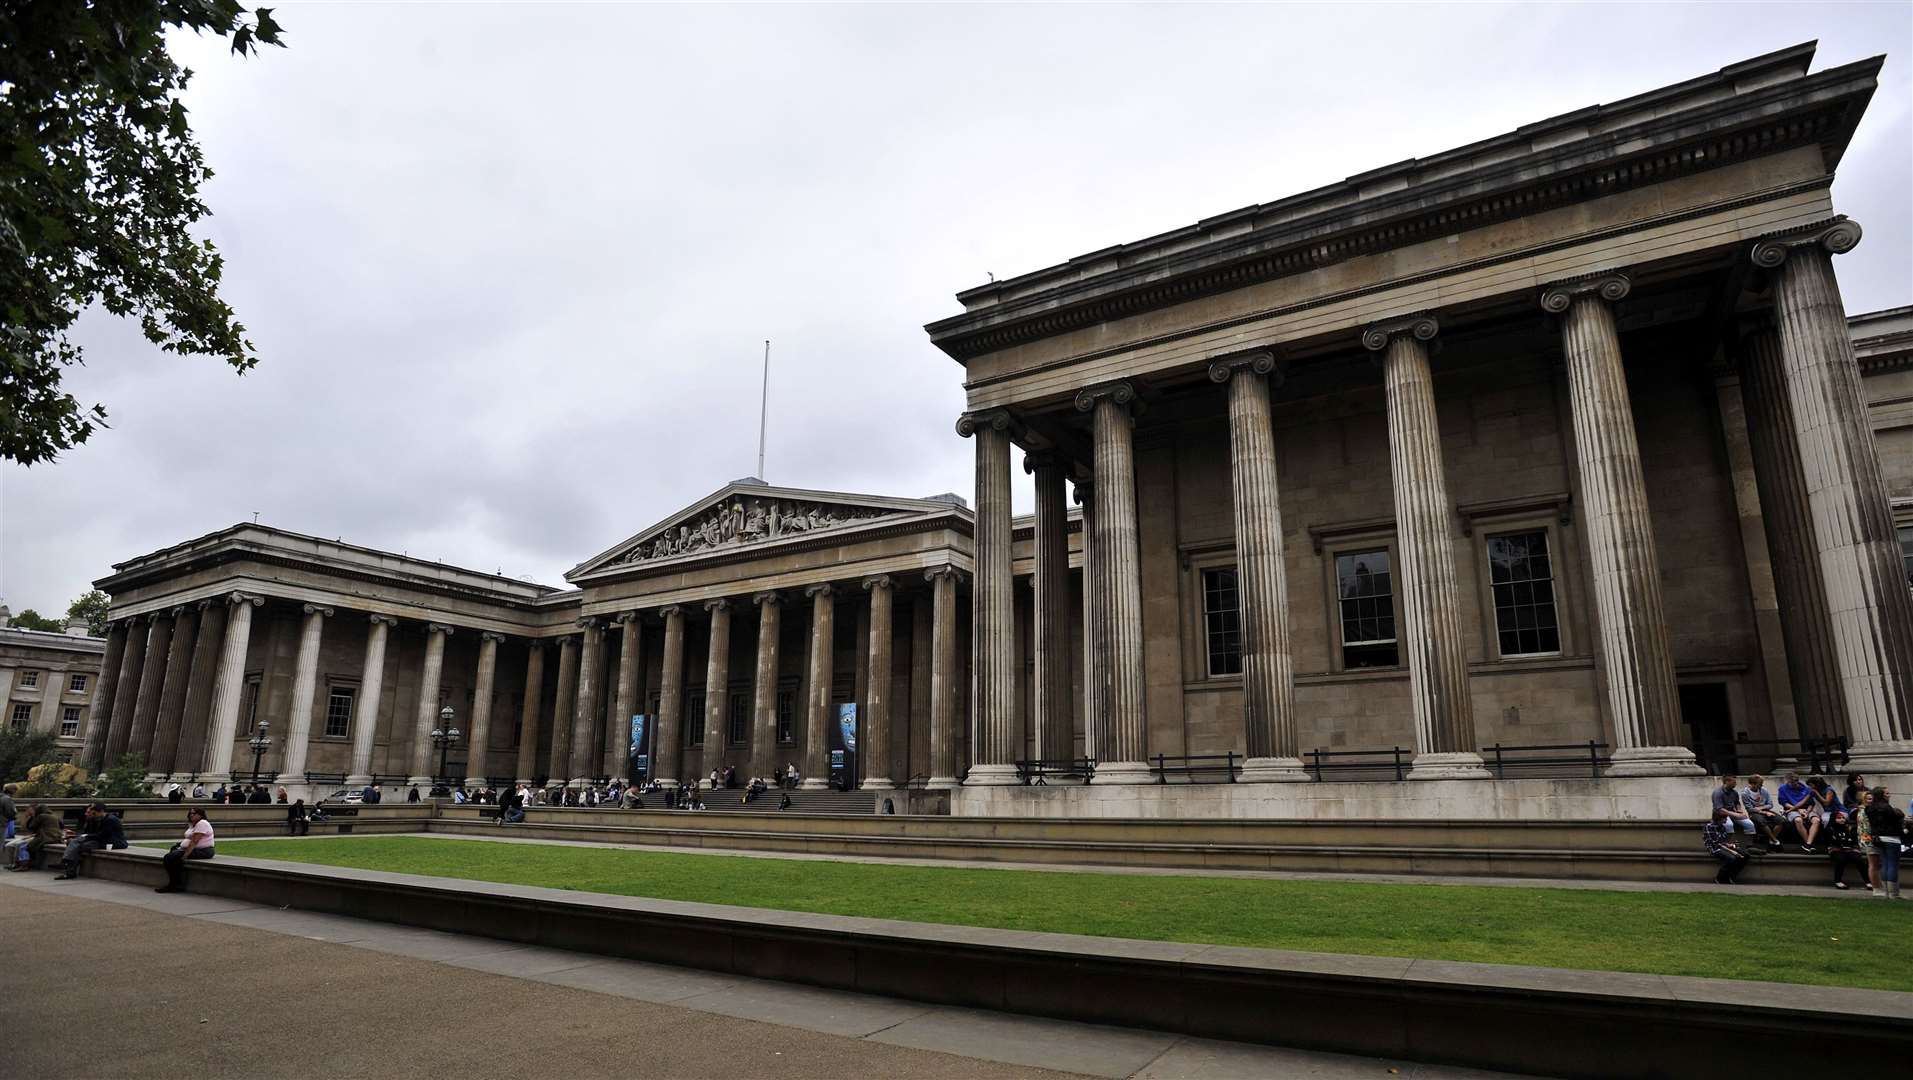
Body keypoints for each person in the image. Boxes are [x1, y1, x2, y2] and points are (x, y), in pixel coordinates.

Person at [54, 803, 128, 880]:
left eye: (94, 813)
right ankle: (67, 867)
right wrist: (81, 836)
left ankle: (67, 867)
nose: (92, 815)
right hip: (101, 840)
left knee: (78, 846)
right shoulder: (98, 819)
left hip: (113, 843)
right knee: (75, 844)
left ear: (101, 811)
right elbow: (93, 834)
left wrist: (86, 836)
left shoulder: (111, 820)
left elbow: (103, 835)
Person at [158, 808, 214, 893]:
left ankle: (175, 885)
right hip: (193, 849)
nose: (191, 815)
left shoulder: (202, 823)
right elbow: (189, 838)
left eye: (194, 813)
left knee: (169, 858)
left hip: (203, 851)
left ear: (200, 815)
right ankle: (174, 884)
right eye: (190, 813)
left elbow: (195, 841)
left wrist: (185, 855)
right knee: (171, 857)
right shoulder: (193, 824)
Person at [1867, 785, 1904, 900]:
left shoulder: (1870, 808)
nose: (1889, 795)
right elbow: (1895, 821)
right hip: (1892, 838)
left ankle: (1886, 892)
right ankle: (1894, 893)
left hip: (1878, 839)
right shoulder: (1887, 808)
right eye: (1887, 793)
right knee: (1893, 864)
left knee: (1885, 864)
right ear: (1881, 795)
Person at [6, 803, 62, 871]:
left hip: (45, 837)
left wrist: (30, 817)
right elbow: (62, 826)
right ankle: (21, 864)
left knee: (24, 847)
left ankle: (24, 865)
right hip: (56, 838)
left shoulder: (41, 816)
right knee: (26, 845)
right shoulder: (55, 816)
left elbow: (31, 827)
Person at [1703, 807, 1749, 885]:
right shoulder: (1709, 826)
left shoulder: (1723, 827)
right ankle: (1719, 878)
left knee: (1746, 855)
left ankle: (1732, 876)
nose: (1726, 820)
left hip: (1724, 846)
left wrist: (1730, 845)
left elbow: (1724, 840)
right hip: (1715, 848)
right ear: (1718, 819)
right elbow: (1716, 842)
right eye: (1724, 819)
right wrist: (1728, 845)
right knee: (1732, 858)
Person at [1776, 771, 1820, 852]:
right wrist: (1798, 809)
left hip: (1806, 809)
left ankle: (1808, 844)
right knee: (1798, 820)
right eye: (1793, 781)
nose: (1796, 783)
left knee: (1816, 820)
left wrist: (1807, 812)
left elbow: (1811, 803)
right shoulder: (1783, 788)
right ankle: (1808, 845)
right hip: (1792, 809)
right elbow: (1784, 803)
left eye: (1797, 780)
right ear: (1788, 781)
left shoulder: (1806, 788)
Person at [1824, 811, 1868, 890]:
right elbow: (1831, 841)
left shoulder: (1848, 828)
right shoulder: (1829, 829)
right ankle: (1838, 881)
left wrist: (1853, 848)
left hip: (1849, 849)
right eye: (1839, 818)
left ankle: (1868, 882)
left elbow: (1852, 841)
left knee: (1859, 859)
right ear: (1833, 819)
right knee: (1841, 859)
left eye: (1843, 818)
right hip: (1835, 849)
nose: (1842, 820)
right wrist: (1842, 843)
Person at [1742, 774, 1784, 849]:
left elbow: (1770, 804)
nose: (1761, 786)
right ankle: (1775, 840)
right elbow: (1749, 808)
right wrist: (1763, 812)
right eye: (1760, 784)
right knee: (1761, 821)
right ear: (1753, 784)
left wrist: (1761, 808)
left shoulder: (1764, 790)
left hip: (1765, 810)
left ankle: (1771, 839)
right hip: (1754, 813)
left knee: (1780, 820)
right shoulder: (1745, 793)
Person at [1855, 789, 1880, 893]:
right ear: (1863, 800)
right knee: (1873, 864)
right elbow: (1866, 828)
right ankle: (1876, 886)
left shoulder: (1866, 810)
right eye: (1869, 799)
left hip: (1868, 838)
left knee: (1874, 864)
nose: (1871, 801)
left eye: (1872, 799)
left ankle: (1876, 885)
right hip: (1868, 839)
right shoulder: (1864, 811)